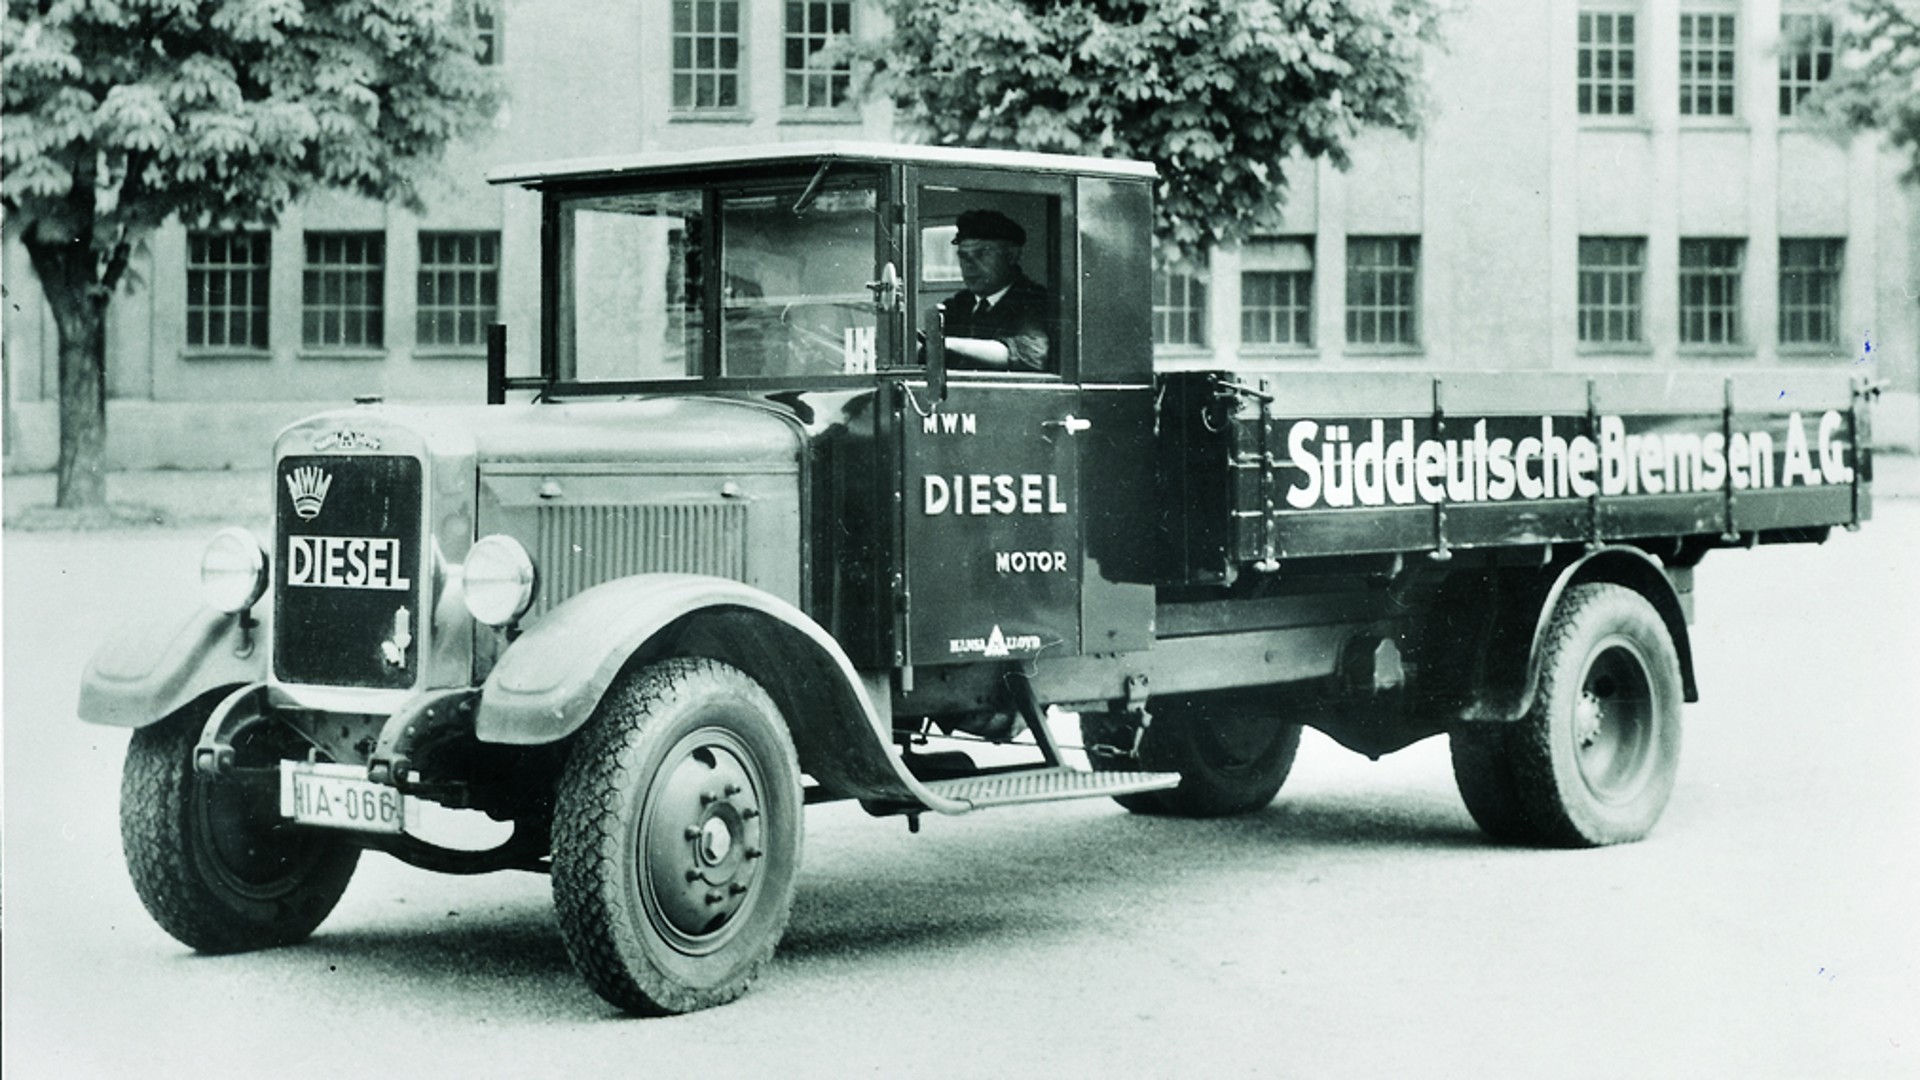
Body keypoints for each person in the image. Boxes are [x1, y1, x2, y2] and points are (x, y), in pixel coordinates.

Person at [939, 209, 1051, 372]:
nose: (969, 265)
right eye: (963, 256)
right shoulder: (959, 304)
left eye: (982, 254)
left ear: (1012, 255)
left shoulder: (1036, 301)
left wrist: (946, 343)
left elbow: (1032, 355)